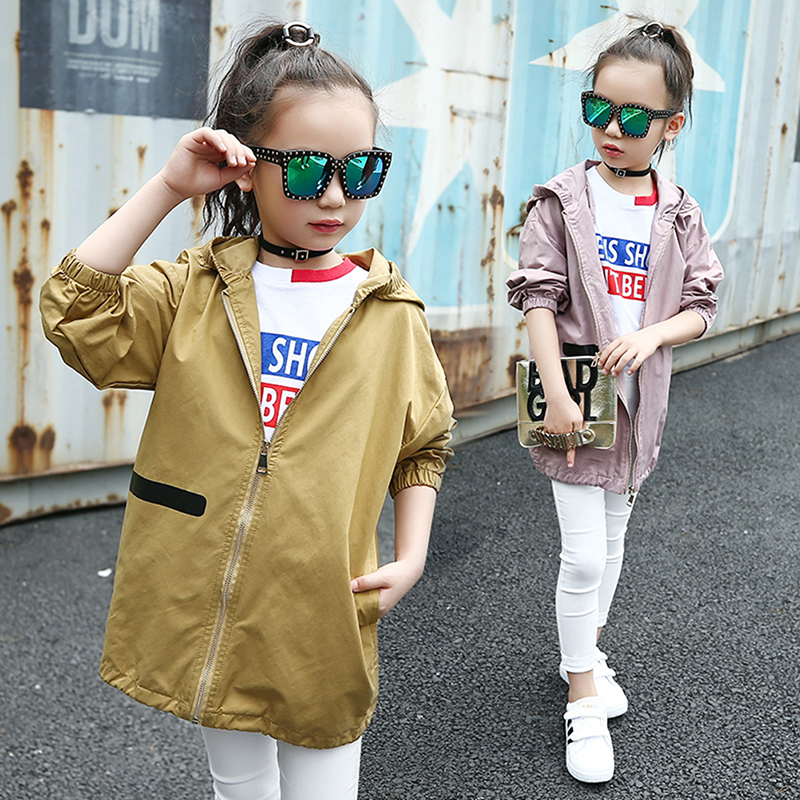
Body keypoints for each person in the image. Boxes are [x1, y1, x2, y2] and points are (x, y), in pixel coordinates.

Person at [40, 20, 454, 800]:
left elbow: (422, 444)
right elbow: (75, 309)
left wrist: (413, 555)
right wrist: (170, 187)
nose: (335, 196)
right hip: (210, 610)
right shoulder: (195, 290)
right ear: (246, 169)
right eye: (307, 171)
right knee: (238, 784)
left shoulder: (390, 312)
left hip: (321, 613)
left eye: (361, 169)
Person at [507, 22, 723, 784]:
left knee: (615, 543)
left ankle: (588, 655)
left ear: (672, 125)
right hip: (577, 406)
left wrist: (652, 335)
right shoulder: (561, 202)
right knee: (584, 555)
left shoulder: (679, 212)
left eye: (634, 118)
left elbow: (703, 304)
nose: (611, 130)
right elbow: (537, 299)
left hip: (640, 410)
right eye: (597, 109)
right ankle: (582, 698)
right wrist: (556, 394)